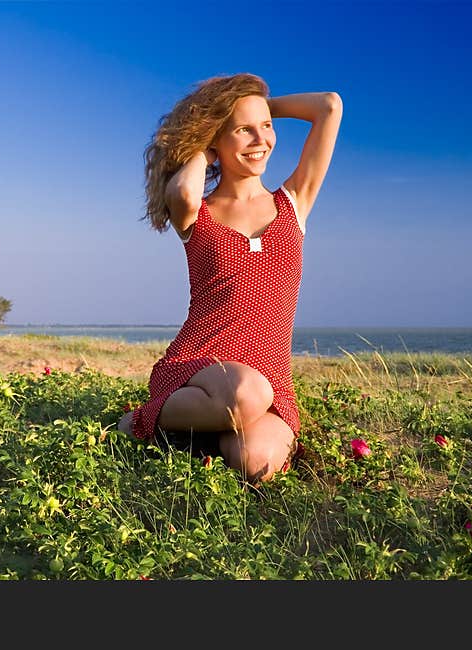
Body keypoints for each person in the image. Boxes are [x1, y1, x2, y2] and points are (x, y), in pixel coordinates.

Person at [117, 73, 343, 483]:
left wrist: (257, 107)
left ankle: (202, 433)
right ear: (216, 142)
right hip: (199, 363)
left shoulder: (293, 201)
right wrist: (207, 140)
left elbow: (329, 105)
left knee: (256, 461)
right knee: (246, 394)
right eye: (243, 131)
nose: (261, 140)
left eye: (267, 128)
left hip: (270, 378)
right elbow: (184, 192)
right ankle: (143, 419)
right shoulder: (196, 212)